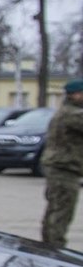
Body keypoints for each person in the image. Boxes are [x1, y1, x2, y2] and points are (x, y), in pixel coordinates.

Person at [41, 79, 83, 248]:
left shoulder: (67, 112)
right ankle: (55, 250)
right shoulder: (72, 114)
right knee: (62, 212)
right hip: (64, 168)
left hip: (62, 167)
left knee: (55, 209)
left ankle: (48, 247)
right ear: (75, 95)